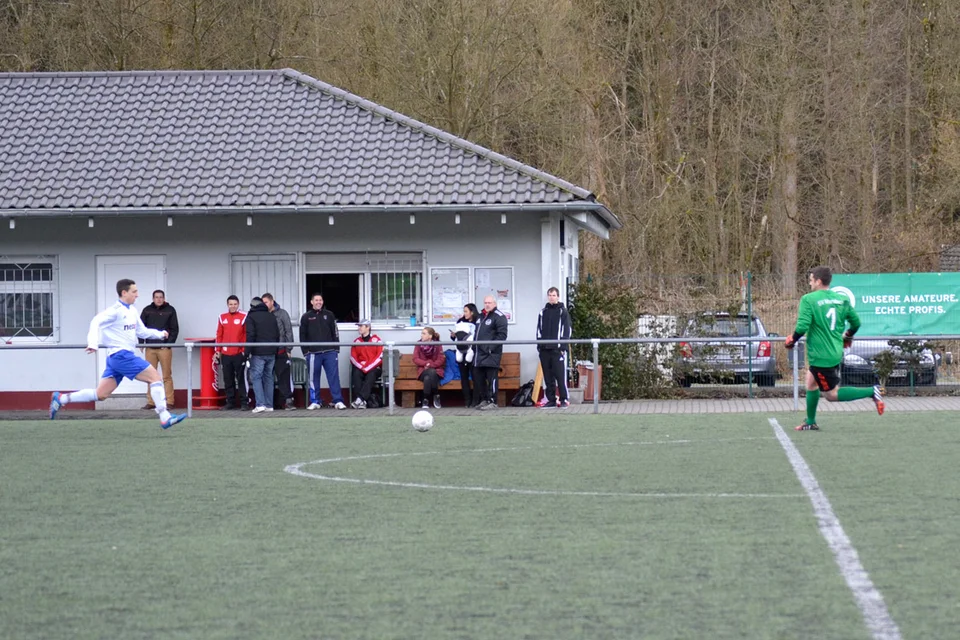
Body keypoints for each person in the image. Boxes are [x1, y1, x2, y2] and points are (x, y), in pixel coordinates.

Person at [49, 278, 186, 429]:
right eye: (134, 292)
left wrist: (160, 334)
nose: (137, 295)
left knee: (100, 394)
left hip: (117, 358)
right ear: (124, 292)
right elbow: (95, 322)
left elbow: (142, 331)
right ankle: (164, 417)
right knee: (155, 378)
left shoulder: (132, 310)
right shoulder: (114, 311)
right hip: (122, 356)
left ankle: (61, 398)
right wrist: (93, 343)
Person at [785, 265, 885, 431]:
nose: (810, 284)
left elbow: (802, 326)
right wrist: (848, 336)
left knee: (831, 395)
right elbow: (856, 323)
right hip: (834, 351)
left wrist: (792, 341)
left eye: (811, 280)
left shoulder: (809, 299)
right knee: (811, 383)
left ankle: (872, 391)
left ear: (818, 281)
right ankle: (810, 421)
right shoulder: (841, 300)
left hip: (821, 356)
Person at [299, 293, 347, 410]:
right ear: (311, 302)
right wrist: (306, 352)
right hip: (313, 353)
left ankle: (338, 401)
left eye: (320, 300)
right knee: (313, 378)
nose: (318, 302)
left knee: (334, 377)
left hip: (330, 352)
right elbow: (302, 335)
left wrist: (336, 348)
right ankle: (316, 401)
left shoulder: (329, 315)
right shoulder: (306, 317)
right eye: (316, 300)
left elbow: (335, 332)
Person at [139, 289, 179, 410]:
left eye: (161, 297)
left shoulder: (170, 310)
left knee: (166, 376)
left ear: (164, 298)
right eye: (156, 297)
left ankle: (169, 401)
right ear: (153, 298)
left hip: (164, 349)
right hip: (150, 348)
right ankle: (151, 402)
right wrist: (142, 344)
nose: (159, 299)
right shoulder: (147, 310)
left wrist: (168, 344)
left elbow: (174, 329)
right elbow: (140, 328)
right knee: (150, 375)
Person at [536, 287, 572, 408]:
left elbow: (567, 330)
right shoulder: (543, 312)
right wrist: (539, 346)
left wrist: (563, 346)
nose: (552, 297)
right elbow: (539, 330)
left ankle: (564, 399)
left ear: (558, 297)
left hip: (557, 350)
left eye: (554, 295)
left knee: (560, 375)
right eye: (550, 295)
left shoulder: (563, 311)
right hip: (545, 349)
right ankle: (551, 399)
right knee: (548, 376)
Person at [473, 295, 508, 410]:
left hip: (491, 354)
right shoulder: (480, 316)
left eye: (489, 302)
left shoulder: (499, 317)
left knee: (491, 378)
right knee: (479, 378)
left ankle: (493, 401)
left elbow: (502, 336)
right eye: (485, 302)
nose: (487, 305)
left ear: (494, 303)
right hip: (479, 354)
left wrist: (490, 348)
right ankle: (484, 399)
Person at [246, 296, 280, 413]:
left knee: (256, 377)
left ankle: (260, 404)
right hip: (271, 352)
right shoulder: (271, 316)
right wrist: (275, 350)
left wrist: (246, 353)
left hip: (258, 352)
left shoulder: (251, 317)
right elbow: (277, 334)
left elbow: (250, 335)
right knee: (269, 378)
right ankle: (269, 405)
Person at [262, 293, 296, 411]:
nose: (264, 305)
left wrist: (288, 349)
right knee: (267, 377)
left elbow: (288, 331)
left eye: (266, 302)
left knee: (284, 377)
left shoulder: (282, 313)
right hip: (267, 352)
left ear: (272, 301)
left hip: (281, 351)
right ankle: (269, 403)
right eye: (263, 303)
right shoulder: (263, 315)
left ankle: (288, 401)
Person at [215, 295, 249, 410]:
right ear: (227, 305)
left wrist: (244, 351)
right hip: (225, 354)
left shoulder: (244, 316)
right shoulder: (221, 317)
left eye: (235, 304)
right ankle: (230, 402)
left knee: (240, 379)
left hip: (238, 353)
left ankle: (244, 402)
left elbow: (246, 335)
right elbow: (219, 335)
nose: (233, 306)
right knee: (227, 379)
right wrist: (218, 351)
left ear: (238, 304)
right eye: (231, 304)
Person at [449, 303, 479, 407]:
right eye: (464, 311)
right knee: (464, 378)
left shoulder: (478, 322)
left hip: (473, 353)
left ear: (472, 312)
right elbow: (456, 338)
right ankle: (467, 401)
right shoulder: (460, 322)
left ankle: (476, 400)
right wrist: (453, 336)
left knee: (476, 377)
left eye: (466, 311)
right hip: (461, 353)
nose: (464, 313)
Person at [349, 319, 383, 409]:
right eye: (358, 326)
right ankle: (362, 402)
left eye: (361, 326)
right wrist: (361, 367)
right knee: (356, 373)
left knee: (371, 375)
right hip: (360, 367)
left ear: (368, 327)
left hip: (374, 368)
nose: (359, 328)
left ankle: (359, 399)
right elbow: (353, 357)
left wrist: (368, 367)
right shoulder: (356, 341)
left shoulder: (377, 340)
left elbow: (380, 357)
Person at [413, 326, 446, 409]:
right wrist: (426, 363)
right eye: (421, 333)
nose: (421, 335)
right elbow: (415, 359)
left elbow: (441, 359)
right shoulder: (418, 344)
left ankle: (425, 399)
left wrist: (431, 365)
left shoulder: (438, 344)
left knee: (428, 377)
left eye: (424, 333)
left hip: (436, 370)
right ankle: (436, 395)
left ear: (430, 336)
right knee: (430, 373)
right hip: (423, 371)